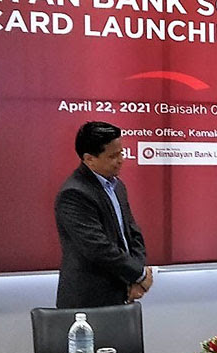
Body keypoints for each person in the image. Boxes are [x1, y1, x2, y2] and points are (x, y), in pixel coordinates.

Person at [55, 121, 153, 308]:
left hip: (124, 293)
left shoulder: (117, 186)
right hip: (90, 300)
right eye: (113, 156)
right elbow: (98, 248)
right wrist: (139, 274)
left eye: (121, 153)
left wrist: (137, 276)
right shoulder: (74, 193)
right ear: (89, 159)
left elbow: (132, 233)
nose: (121, 160)